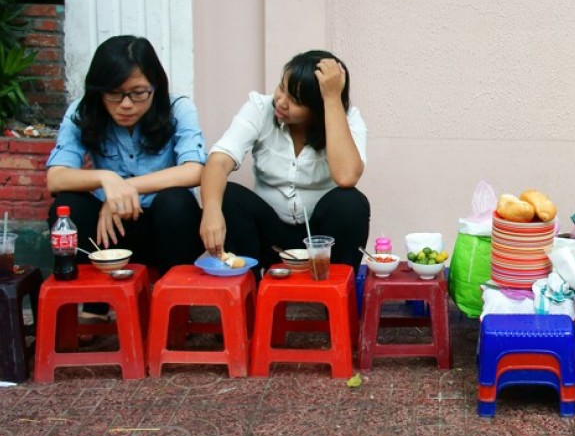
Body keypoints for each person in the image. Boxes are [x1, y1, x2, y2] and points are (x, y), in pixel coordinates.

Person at [45, 35, 206, 272]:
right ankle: (95, 304)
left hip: (163, 229)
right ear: (99, 90)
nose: (126, 104)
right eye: (114, 93)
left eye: (139, 93)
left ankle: (171, 299)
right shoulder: (83, 112)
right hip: (107, 229)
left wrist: (128, 187)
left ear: (155, 86)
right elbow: (56, 178)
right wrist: (107, 179)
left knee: (176, 203)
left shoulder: (178, 109)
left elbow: (195, 170)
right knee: (69, 206)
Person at [199, 50, 370, 270]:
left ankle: (335, 291)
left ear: (317, 108)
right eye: (282, 87)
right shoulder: (260, 108)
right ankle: (248, 292)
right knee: (229, 196)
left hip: (320, 242)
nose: (280, 101)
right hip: (270, 237)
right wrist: (211, 210)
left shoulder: (347, 119)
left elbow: (347, 177)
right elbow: (219, 161)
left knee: (350, 203)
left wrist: (331, 99)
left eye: (295, 100)